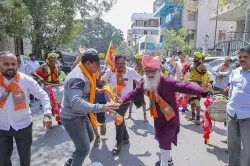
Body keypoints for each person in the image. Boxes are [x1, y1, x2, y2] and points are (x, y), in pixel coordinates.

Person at [117, 55, 210, 166]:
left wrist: (202, 90)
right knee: (162, 141)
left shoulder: (167, 82)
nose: (150, 74)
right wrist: (121, 100)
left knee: (165, 143)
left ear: (159, 70)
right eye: (147, 72)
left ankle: (164, 163)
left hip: (170, 119)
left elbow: (184, 87)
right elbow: (133, 93)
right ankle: (168, 159)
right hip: (158, 118)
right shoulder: (144, 83)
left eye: (153, 71)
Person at [60, 49, 120, 166]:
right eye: (97, 64)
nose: (99, 67)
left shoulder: (87, 73)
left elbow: (87, 90)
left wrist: (102, 90)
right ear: (88, 63)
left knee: (90, 137)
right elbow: (76, 102)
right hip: (72, 118)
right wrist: (102, 107)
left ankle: (70, 162)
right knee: (83, 149)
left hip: (81, 114)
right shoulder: (77, 77)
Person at [0, 52, 52, 166]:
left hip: (23, 125)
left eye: (13, 64)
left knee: (25, 158)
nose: (10, 67)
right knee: (2, 159)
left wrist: (47, 114)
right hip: (2, 126)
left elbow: (43, 95)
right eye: (6, 64)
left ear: (18, 65)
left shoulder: (26, 80)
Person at [100, 55, 142, 155]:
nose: (121, 66)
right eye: (119, 63)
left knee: (117, 120)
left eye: (123, 63)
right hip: (113, 100)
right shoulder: (110, 70)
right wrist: (100, 75)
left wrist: (137, 91)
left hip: (125, 100)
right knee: (119, 119)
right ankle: (126, 138)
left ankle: (119, 143)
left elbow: (141, 80)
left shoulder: (130, 71)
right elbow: (102, 82)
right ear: (115, 63)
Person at [222, 47, 250, 166]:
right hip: (232, 114)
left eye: (245, 57)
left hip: (247, 115)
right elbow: (231, 91)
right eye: (240, 57)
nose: (242, 59)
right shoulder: (235, 72)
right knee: (232, 145)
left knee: (246, 148)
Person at [183, 52, 210, 125]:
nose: (195, 58)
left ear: (200, 58)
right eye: (194, 57)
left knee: (197, 101)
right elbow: (185, 71)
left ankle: (198, 118)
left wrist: (205, 85)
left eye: (196, 57)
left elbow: (205, 76)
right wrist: (183, 78)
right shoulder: (190, 64)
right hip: (189, 84)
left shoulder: (202, 66)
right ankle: (193, 116)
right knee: (192, 102)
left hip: (198, 85)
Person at [127, 53, 148, 122]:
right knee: (131, 100)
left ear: (140, 60)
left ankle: (145, 116)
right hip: (133, 85)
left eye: (137, 59)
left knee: (142, 102)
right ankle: (129, 115)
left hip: (140, 86)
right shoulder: (134, 67)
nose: (136, 60)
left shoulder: (143, 68)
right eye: (136, 59)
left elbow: (145, 76)